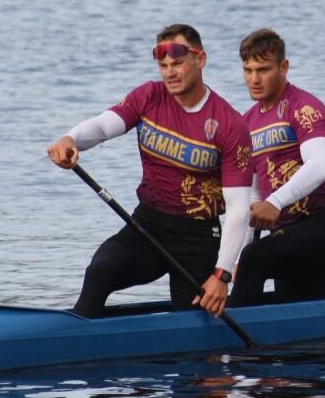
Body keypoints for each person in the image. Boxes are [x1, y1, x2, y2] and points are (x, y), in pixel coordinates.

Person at [46, 24, 252, 318]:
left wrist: (222, 275)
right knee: (100, 271)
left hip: (198, 238)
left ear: (201, 60)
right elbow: (105, 126)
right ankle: (73, 341)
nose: (169, 72)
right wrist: (71, 138)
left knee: (194, 331)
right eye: (163, 65)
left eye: (178, 63)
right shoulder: (149, 97)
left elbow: (238, 209)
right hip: (148, 226)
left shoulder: (230, 125)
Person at [230, 29, 325, 306]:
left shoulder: (305, 107)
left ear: (283, 67)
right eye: (248, 70)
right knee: (306, 325)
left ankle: (230, 349)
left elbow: (320, 167)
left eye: (263, 69)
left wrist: (275, 202)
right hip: (286, 237)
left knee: (256, 258)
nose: (254, 79)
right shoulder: (245, 123)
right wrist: (237, 259)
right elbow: (254, 197)